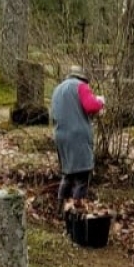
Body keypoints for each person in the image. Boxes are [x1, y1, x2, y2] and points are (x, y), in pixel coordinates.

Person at [50, 66, 106, 212]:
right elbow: (91, 106)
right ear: (82, 78)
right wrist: (100, 101)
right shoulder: (80, 86)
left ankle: (60, 207)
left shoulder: (57, 90)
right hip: (78, 136)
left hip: (60, 135)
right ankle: (77, 209)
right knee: (83, 173)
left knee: (68, 173)